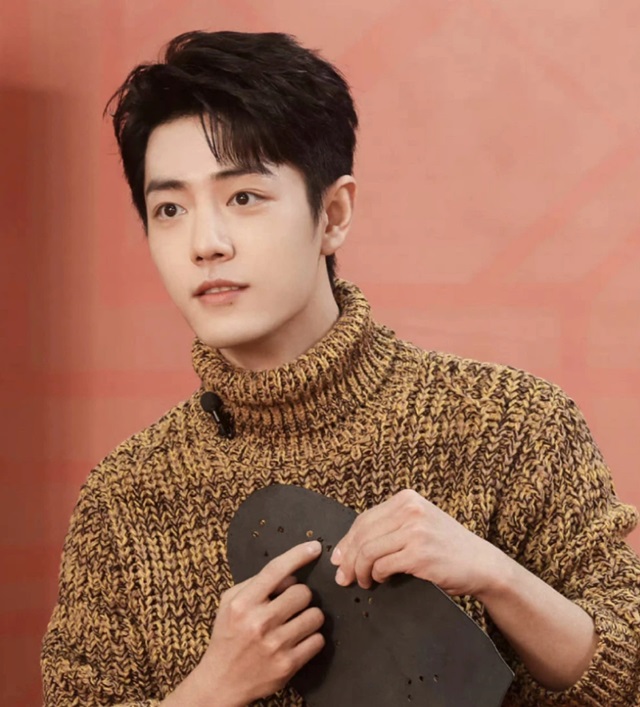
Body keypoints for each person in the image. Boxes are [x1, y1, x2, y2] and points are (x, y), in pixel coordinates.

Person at [41, 30, 640, 707]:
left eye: (243, 197)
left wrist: (497, 576)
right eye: (170, 209)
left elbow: (630, 672)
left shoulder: (512, 424)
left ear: (332, 213)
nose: (205, 244)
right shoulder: (124, 500)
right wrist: (212, 688)